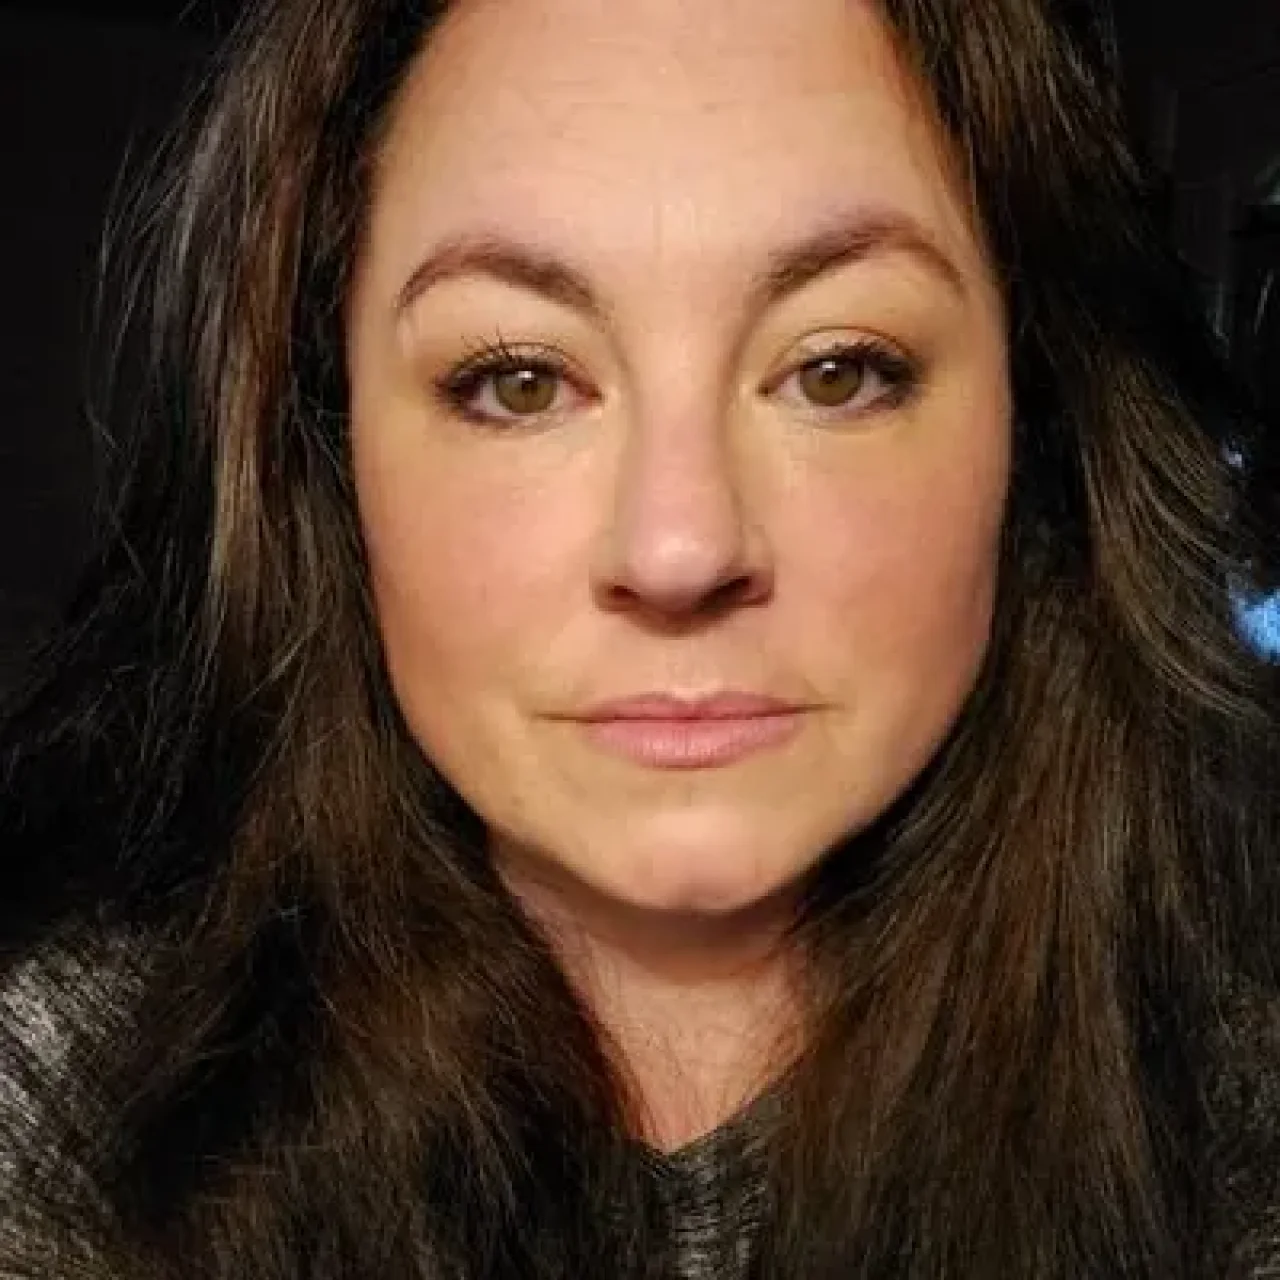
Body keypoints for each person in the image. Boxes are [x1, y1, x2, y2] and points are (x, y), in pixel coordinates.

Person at [1, 0, 1277, 1275]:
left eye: (835, 368)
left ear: (1035, 432)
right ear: (328, 458)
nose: (677, 549)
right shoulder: (71, 1130)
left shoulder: (1233, 1122)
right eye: (518, 378)